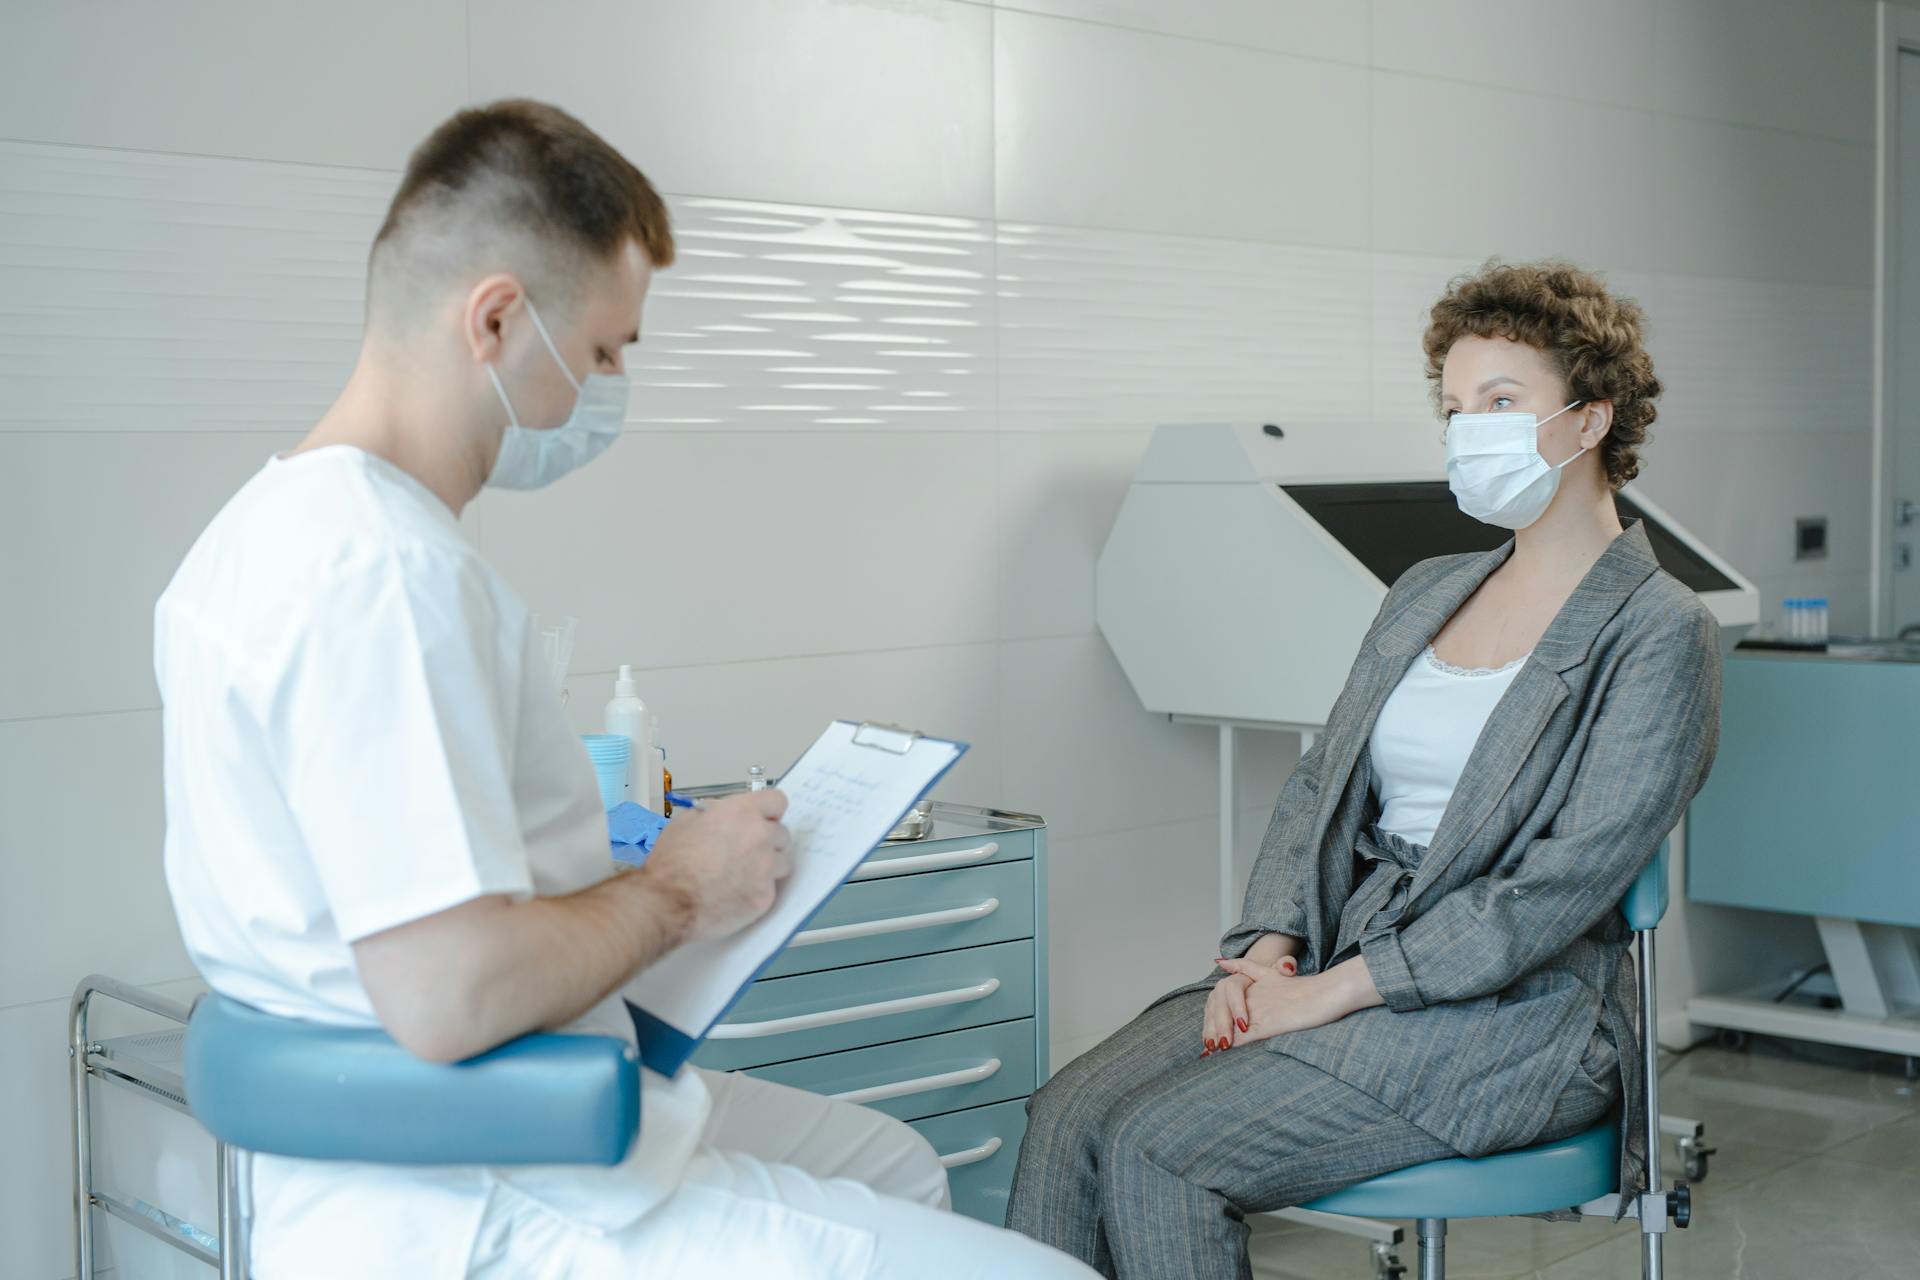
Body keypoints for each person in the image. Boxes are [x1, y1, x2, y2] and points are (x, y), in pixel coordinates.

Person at [156, 98, 1094, 1279]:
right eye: (603, 351)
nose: (605, 388)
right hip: (474, 1192)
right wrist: (676, 892)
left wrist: (641, 870)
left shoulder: (270, 532)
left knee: (893, 1162)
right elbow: (450, 989)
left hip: (475, 1122)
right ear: (495, 317)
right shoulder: (379, 574)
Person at [1004, 259, 1723, 1278]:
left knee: (1158, 1149)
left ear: (1591, 418)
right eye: (1454, 407)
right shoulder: (1427, 589)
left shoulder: (1659, 631)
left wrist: (1341, 989)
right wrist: (1268, 948)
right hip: (1342, 950)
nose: (1469, 428)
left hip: (1519, 1012)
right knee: (1068, 1112)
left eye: (1501, 401)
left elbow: (1552, 891)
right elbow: (1320, 785)